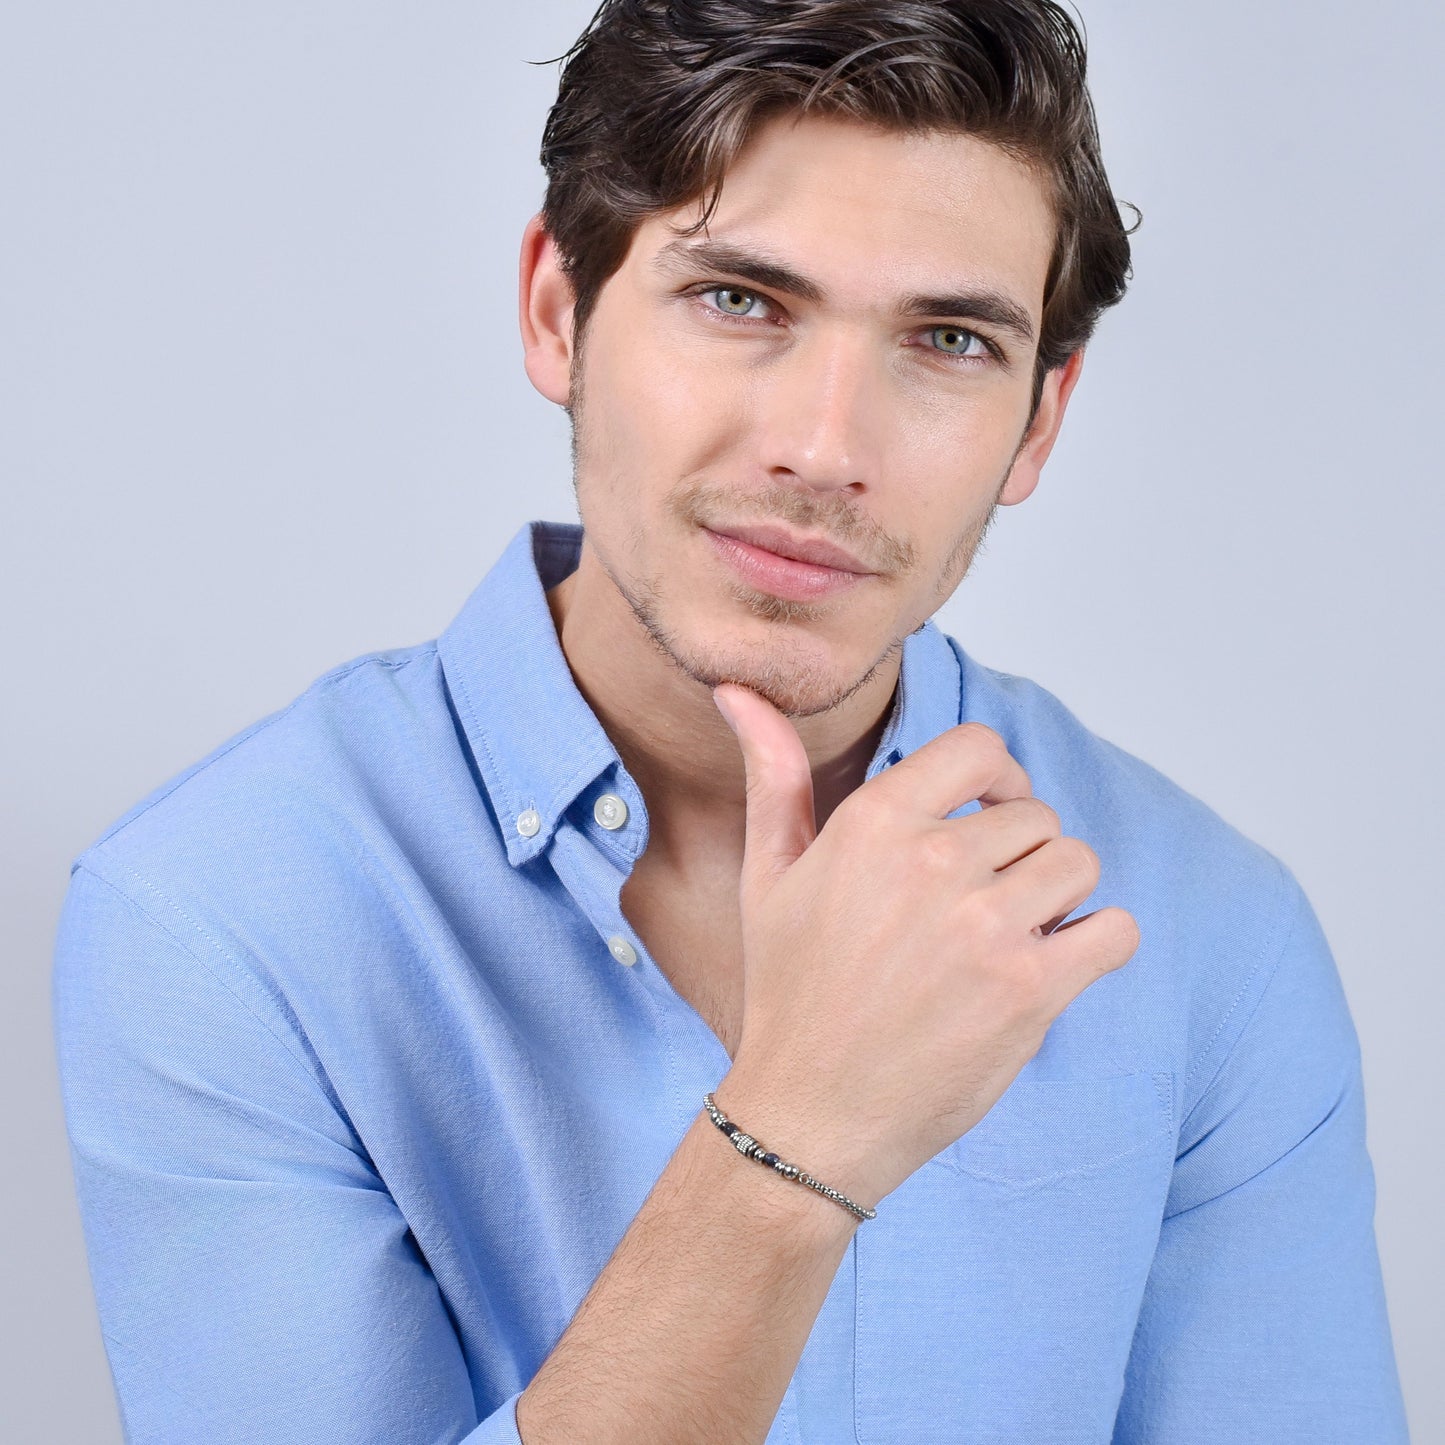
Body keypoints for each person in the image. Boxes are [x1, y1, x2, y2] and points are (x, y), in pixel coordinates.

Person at [52, 1, 1410, 1441]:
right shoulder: (218, 916)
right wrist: (792, 1137)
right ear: (557, 312)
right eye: (740, 300)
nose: (824, 448)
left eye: (949, 339)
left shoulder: (1204, 932)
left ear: (1038, 420)